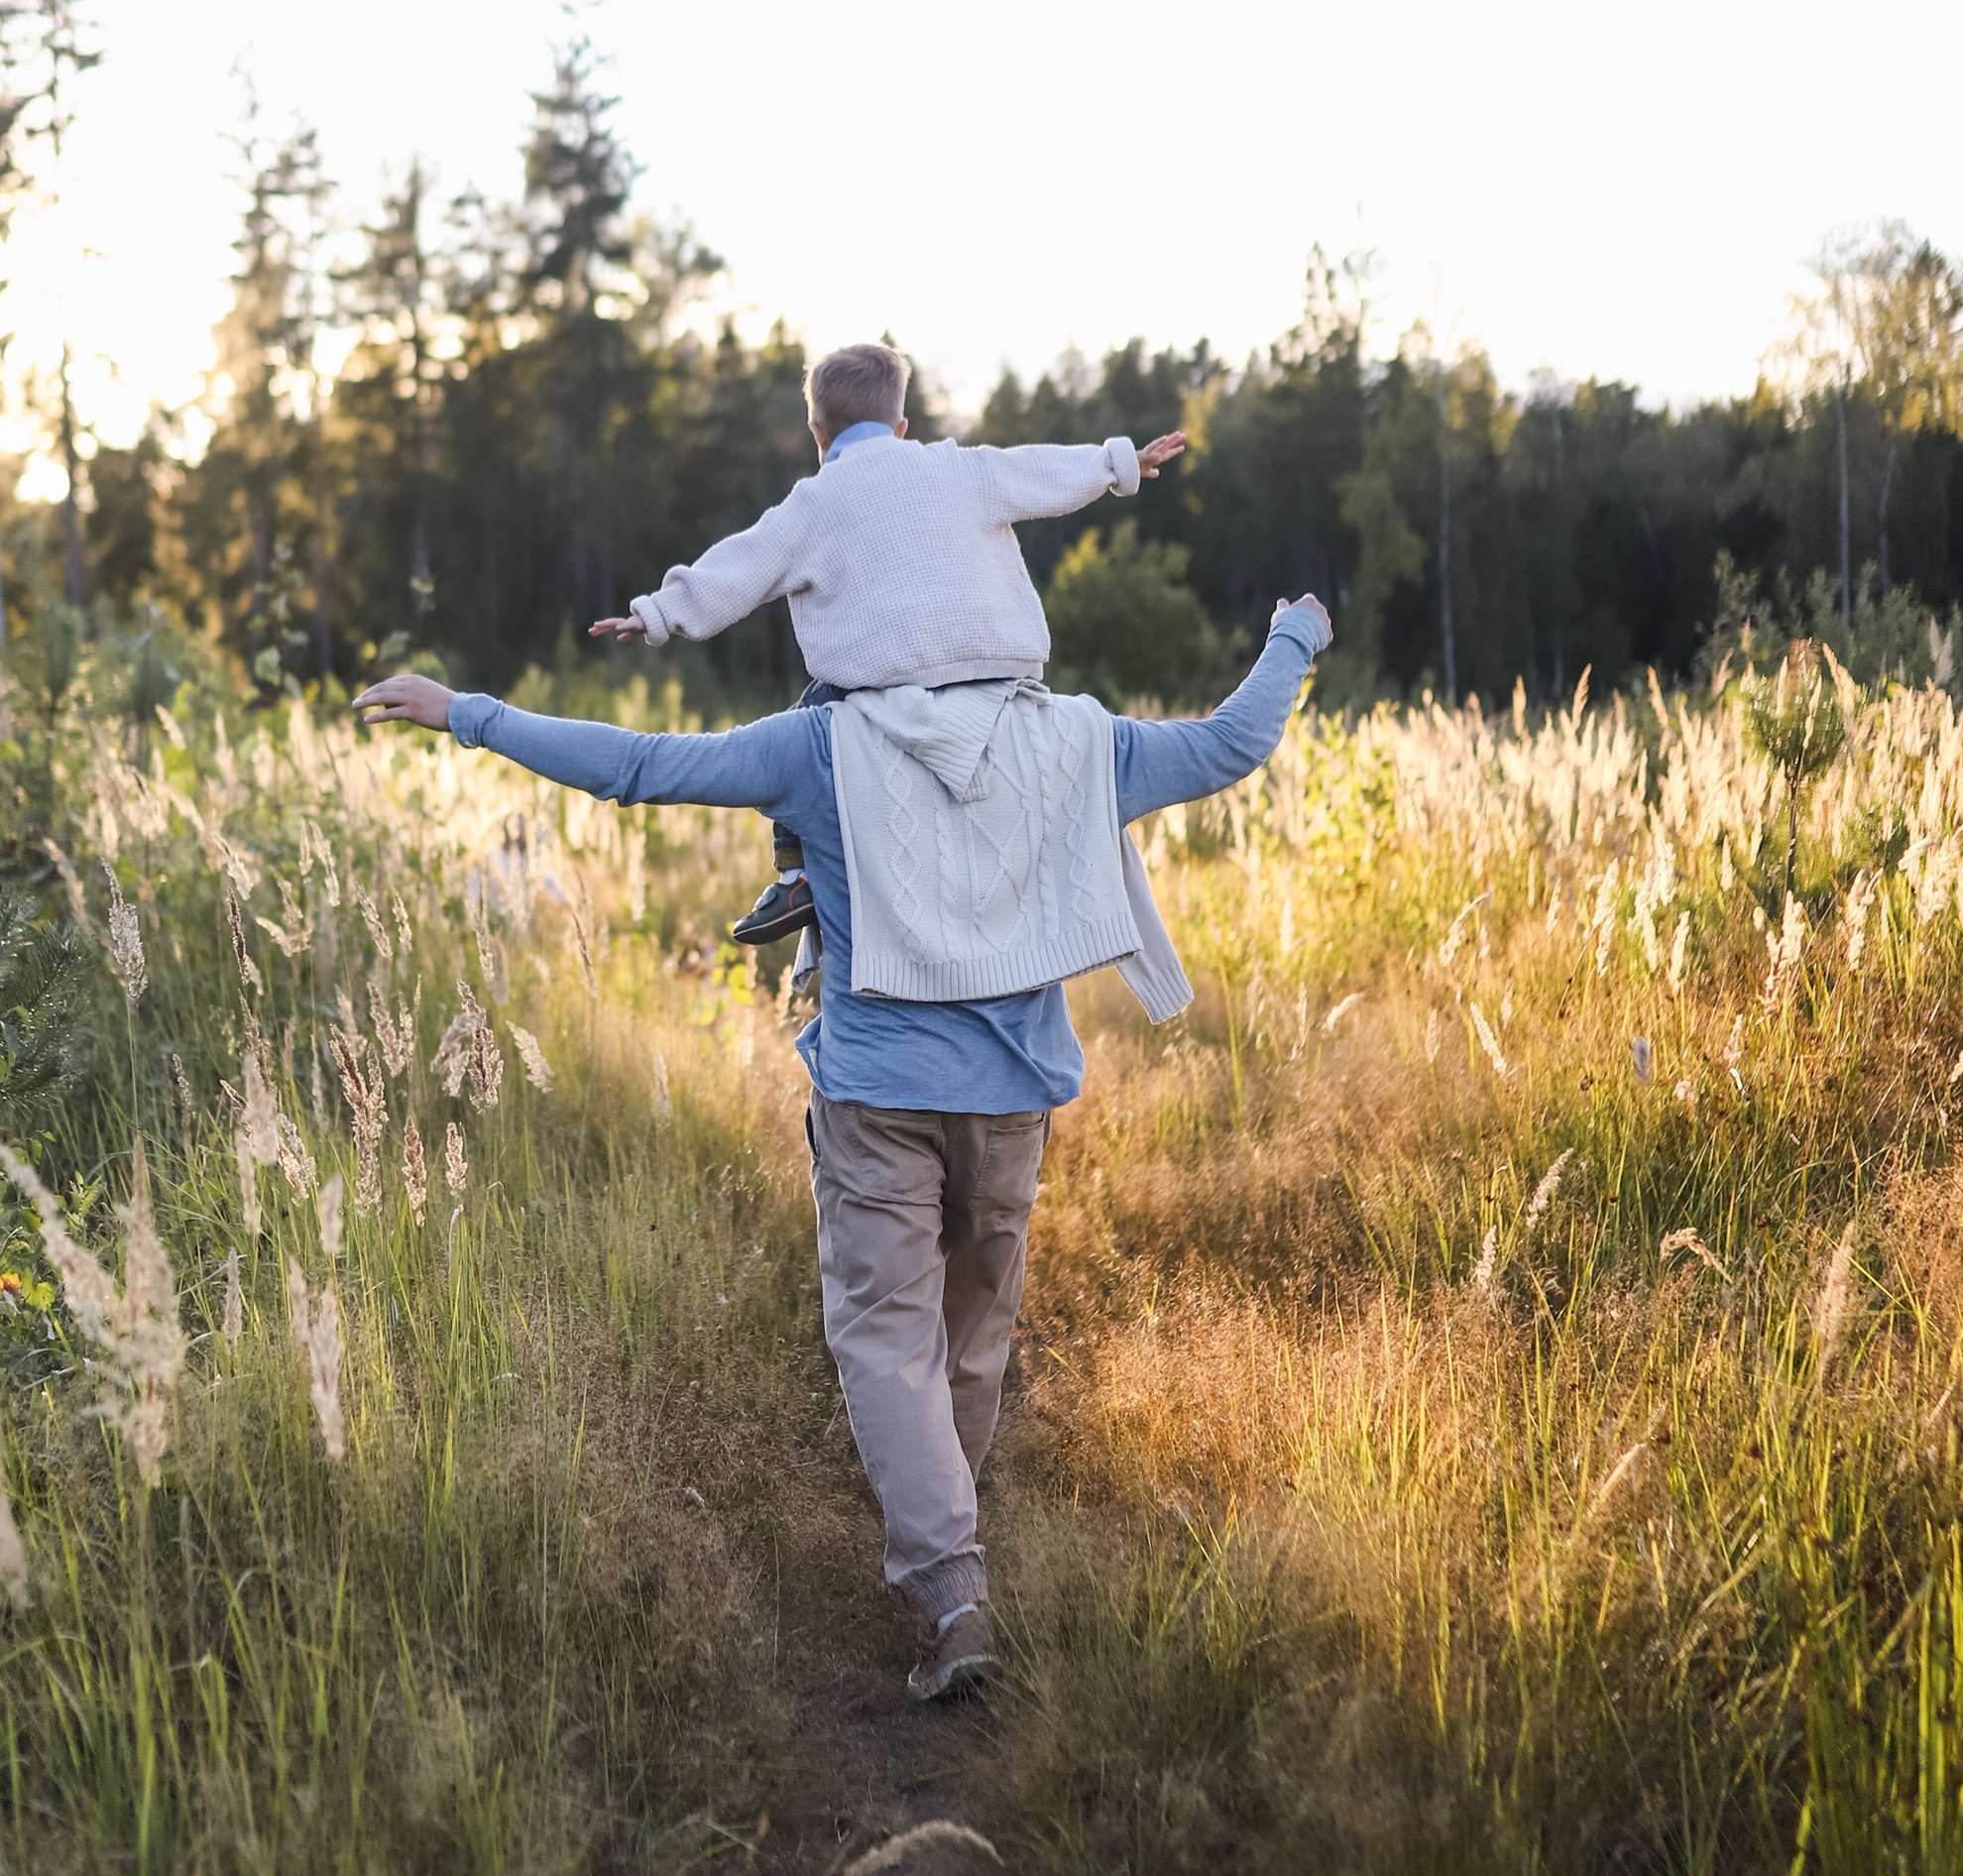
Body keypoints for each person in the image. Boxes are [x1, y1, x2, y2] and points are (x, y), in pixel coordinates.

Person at [355, 588, 1330, 1702]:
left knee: (886, 1341)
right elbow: (1228, 744)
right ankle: (948, 1552)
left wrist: (464, 710)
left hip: (877, 1094)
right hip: (1011, 1102)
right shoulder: (1073, 737)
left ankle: (954, 1594)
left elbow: (633, 765)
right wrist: (1292, 635)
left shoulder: (820, 742)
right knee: (971, 1337)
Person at [587, 341, 1186, 959]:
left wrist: (655, 614)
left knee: (807, 720)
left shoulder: (814, 502)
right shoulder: (958, 466)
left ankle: (794, 877)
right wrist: (1120, 463)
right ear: (902, 427)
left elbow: (739, 567)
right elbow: (1037, 471)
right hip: (1001, 673)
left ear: (817, 432)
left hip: (887, 683)